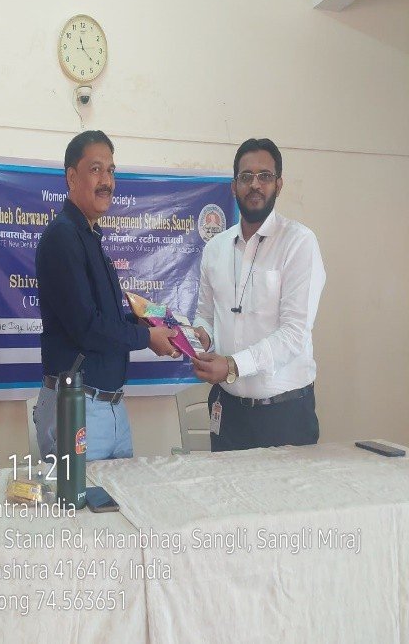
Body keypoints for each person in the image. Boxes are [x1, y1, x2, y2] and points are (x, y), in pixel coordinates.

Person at [34, 130, 178, 461]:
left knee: (124, 495)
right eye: (96, 169)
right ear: (72, 177)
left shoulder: (90, 237)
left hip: (110, 407)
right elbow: (87, 327)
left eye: (111, 171)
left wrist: (155, 323)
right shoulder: (62, 238)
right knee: (79, 498)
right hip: (78, 407)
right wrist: (147, 337)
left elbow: (105, 319)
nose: (107, 181)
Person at [191, 137, 325, 451]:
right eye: (246, 176)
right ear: (233, 186)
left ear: (279, 184)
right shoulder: (215, 248)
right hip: (227, 412)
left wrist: (233, 365)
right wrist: (200, 336)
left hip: (284, 414)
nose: (255, 184)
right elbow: (206, 315)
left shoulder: (299, 243)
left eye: (264, 176)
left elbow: (294, 333)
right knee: (223, 485)